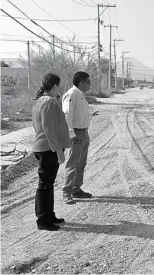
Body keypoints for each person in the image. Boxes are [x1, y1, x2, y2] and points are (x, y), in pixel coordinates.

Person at [32, 73, 71, 231]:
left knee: (48, 184)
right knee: (45, 185)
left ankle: (49, 215)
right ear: (54, 86)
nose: (59, 88)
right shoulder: (48, 103)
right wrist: (58, 151)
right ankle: (43, 220)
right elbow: (49, 129)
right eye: (58, 86)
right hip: (48, 149)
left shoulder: (42, 101)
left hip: (45, 147)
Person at [62, 71, 98, 204]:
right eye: (88, 82)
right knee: (72, 163)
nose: (90, 84)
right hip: (76, 134)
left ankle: (76, 189)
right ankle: (67, 192)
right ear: (81, 82)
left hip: (84, 132)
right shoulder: (71, 95)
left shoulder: (81, 95)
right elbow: (67, 115)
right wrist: (72, 135)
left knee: (81, 163)